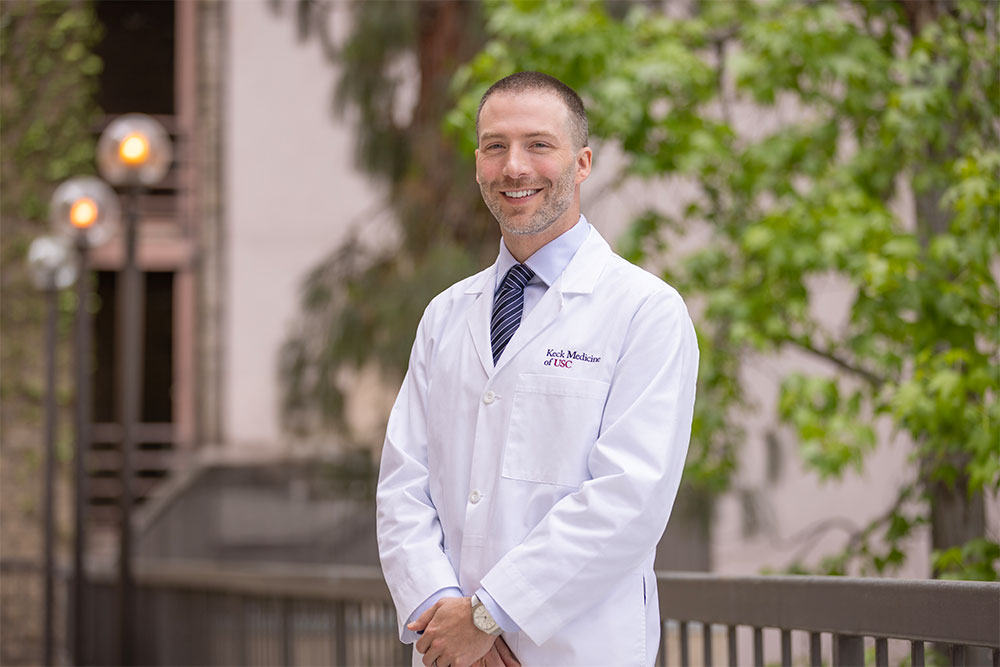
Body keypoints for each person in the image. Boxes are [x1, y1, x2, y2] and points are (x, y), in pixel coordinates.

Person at [376, 71, 699, 667]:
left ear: (581, 163)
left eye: (538, 145)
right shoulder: (446, 315)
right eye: (495, 146)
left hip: (578, 650)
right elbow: (403, 484)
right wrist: (445, 613)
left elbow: (630, 496)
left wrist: (488, 614)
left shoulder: (645, 310)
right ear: (477, 162)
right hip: (449, 652)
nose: (514, 166)